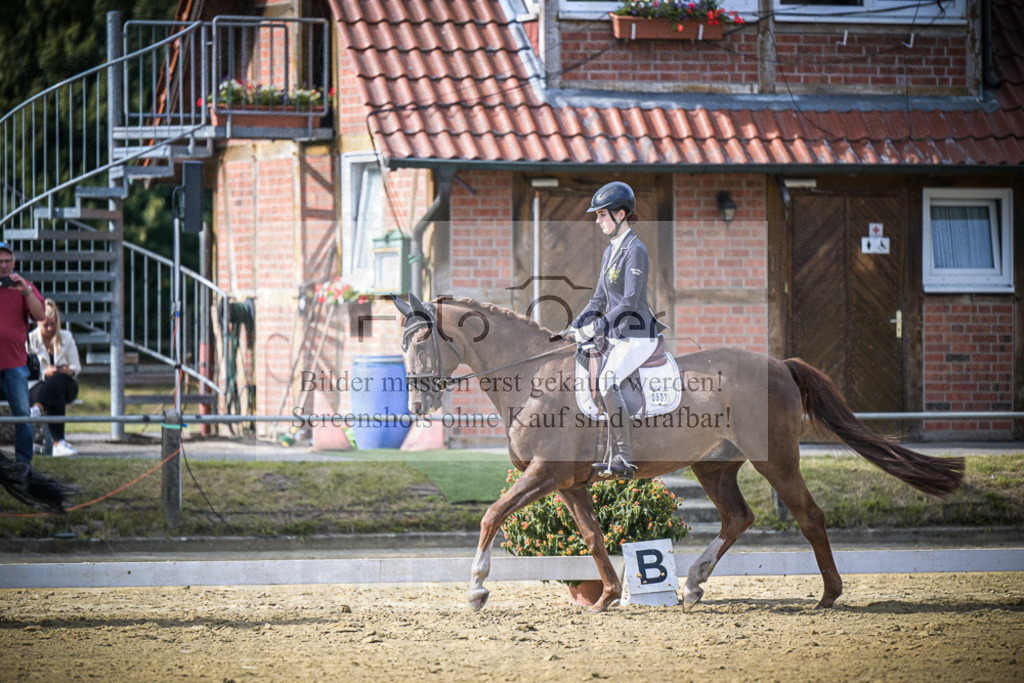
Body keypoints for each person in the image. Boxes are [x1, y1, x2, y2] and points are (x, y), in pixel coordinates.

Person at [570, 182, 666, 479]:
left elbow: (629, 301)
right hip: (617, 332)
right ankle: (606, 449)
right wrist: (577, 323)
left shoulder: (635, 250)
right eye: (597, 216)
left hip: (638, 333)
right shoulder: (610, 252)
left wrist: (598, 326)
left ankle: (624, 456)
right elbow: (599, 298)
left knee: (608, 381)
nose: (597, 221)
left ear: (620, 214)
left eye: (601, 215)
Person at [0, 241, 47, 482]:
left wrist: (26, 290)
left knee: (22, 417)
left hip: (15, 363)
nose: (4, 266)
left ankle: (23, 468)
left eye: (8, 261)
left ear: (14, 262)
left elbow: (40, 316)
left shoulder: (24, 287)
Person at [28, 299, 81, 457]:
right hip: (38, 385)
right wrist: (44, 373)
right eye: (46, 325)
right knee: (54, 391)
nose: (50, 328)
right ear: (38, 323)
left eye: (53, 324)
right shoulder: (30, 340)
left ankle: (37, 407)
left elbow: (76, 367)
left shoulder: (67, 337)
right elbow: (28, 371)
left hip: (66, 384)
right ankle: (59, 443)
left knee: (58, 379)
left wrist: (66, 371)